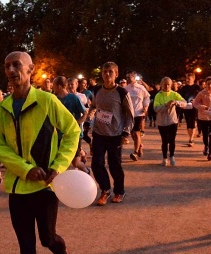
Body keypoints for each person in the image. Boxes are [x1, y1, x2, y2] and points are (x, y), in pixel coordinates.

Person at [0, 51, 79, 254]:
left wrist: (60, 165)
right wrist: (24, 168)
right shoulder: (1, 108)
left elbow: (72, 131)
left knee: (47, 239)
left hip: (45, 187)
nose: (11, 69)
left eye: (17, 65)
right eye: (7, 65)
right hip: (18, 188)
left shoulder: (47, 101)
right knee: (26, 247)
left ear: (31, 70)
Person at [90, 62, 134, 205]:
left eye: (110, 72)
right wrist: (87, 121)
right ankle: (105, 190)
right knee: (96, 164)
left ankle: (119, 191)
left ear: (116, 74)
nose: (107, 74)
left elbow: (130, 115)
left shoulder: (121, 92)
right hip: (98, 133)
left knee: (115, 165)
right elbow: (93, 107)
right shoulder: (97, 90)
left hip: (115, 135)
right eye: (104, 71)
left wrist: (125, 133)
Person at [54, 76, 90, 174]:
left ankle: (86, 171)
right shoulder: (54, 99)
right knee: (58, 161)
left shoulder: (73, 98)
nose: (53, 87)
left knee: (75, 162)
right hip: (59, 135)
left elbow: (85, 113)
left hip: (74, 135)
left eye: (54, 85)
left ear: (60, 86)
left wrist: (75, 123)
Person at [154, 77, 186, 166]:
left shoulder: (174, 94)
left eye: (168, 84)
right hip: (162, 122)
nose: (167, 86)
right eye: (165, 84)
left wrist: (176, 102)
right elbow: (156, 109)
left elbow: (184, 103)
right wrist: (165, 105)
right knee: (164, 141)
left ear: (171, 85)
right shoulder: (158, 95)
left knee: (172, 140)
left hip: (172, 121)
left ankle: (172, 156)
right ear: (161, 85)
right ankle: (164, 158)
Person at [124, 71, 150, 161]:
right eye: (127, 77)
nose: (127, 79)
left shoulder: (141, 88)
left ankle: (135, 152)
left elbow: (147, 98)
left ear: (134, 78)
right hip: (130, 114)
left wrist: (145, 107)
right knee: (132, 133)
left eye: (129, 77)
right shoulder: (125, 89)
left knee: (136, 132)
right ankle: (139, 146)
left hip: (139, 113)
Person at [193, 76, 211, 160]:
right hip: (203, 117)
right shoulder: (201, 93)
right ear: (205, 84)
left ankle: (210, 153)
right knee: (205, 135)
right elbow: (195, 103)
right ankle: (206, 146)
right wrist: (201, 107)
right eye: (208, 84)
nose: (210, 85)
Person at [179, 73, 201, 147]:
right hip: (186, 107)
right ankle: (190, 137)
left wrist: (196, 100)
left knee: (193, 122)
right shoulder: (183, 88)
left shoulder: (197, 87)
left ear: (193, 79)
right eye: (187, 78)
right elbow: (180, 97)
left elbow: (201, 96)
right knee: (188, 123)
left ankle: (191, 139)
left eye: (189, 78)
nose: (187, 80)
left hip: (194, 107)